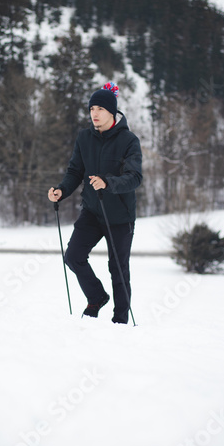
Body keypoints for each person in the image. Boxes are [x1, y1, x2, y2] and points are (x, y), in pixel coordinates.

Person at [48, 82, 142, 324]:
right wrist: (61, 190)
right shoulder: (84, 138)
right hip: (92, 211)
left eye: (100, 108)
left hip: (120, 217)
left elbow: (134, 177)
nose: (95, 114)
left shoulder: (129, 141)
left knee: (118, 269)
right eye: (92, 109)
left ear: (112, 112)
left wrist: (108, 183)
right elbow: (74, 171)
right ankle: (97, 296)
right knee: (73, 256)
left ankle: (120, 320)